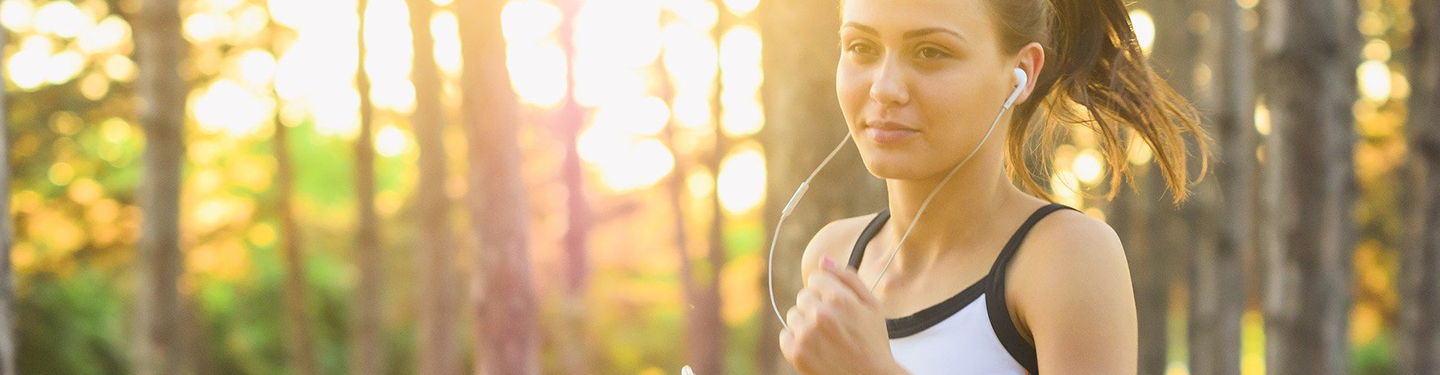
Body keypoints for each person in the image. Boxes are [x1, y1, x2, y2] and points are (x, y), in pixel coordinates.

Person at [776, 0, 1209, 373]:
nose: (884, 88)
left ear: (1022, 72)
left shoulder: (1064, 258)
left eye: (930, 51)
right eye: (861, 47)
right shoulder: (833, 258)